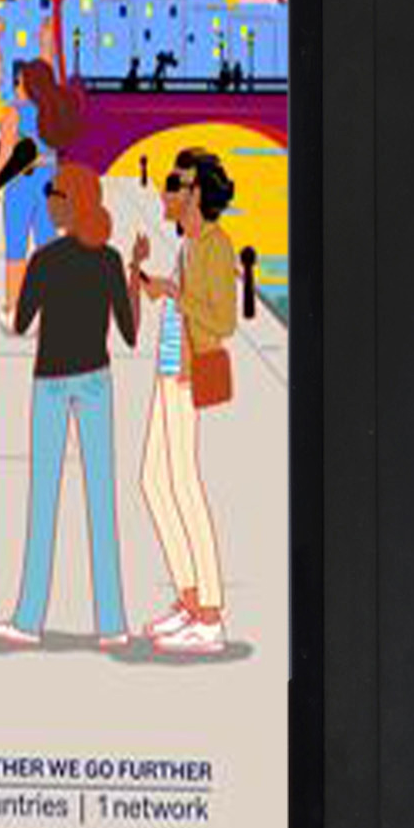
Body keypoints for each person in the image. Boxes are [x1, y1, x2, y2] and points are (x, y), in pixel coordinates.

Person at [0, 82, 135, 654]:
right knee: (101, 500)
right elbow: (127, 331)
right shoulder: (109, 259)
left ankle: (29, 618)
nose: (47, 202)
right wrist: (132, 279)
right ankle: (113, 623)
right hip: (97, 381)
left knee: (43, 501)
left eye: (53, 195)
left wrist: (5, 314)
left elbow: (20, 323)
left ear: (67, 203)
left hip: (51, 383)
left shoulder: (46, 262)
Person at [128, 145, 246, 655]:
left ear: (196, 194)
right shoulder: (190, 245)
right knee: (154, 482)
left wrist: (177, 295)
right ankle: (190, 597)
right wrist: (158, 286)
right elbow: (185, 300)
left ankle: (211, 613)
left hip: (189, 374)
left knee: (184, 486)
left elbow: (222, 322)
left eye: (175, 185)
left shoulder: (216, 246)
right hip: (169, 370)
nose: (165, 191)